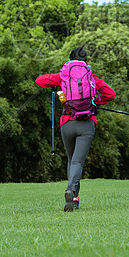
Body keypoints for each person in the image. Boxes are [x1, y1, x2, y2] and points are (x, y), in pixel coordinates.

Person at [35, 47, 116, 212]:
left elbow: (39, 80)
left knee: (72, 161)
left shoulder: (62, 77)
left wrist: (59, 83)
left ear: (70, 60)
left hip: (67, 123)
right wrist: (95, 102)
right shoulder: (92, 79)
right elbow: (110, 94)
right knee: (78, 162)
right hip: (87, 124)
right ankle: (71, 191)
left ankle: (73, 200)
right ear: (86, 62)